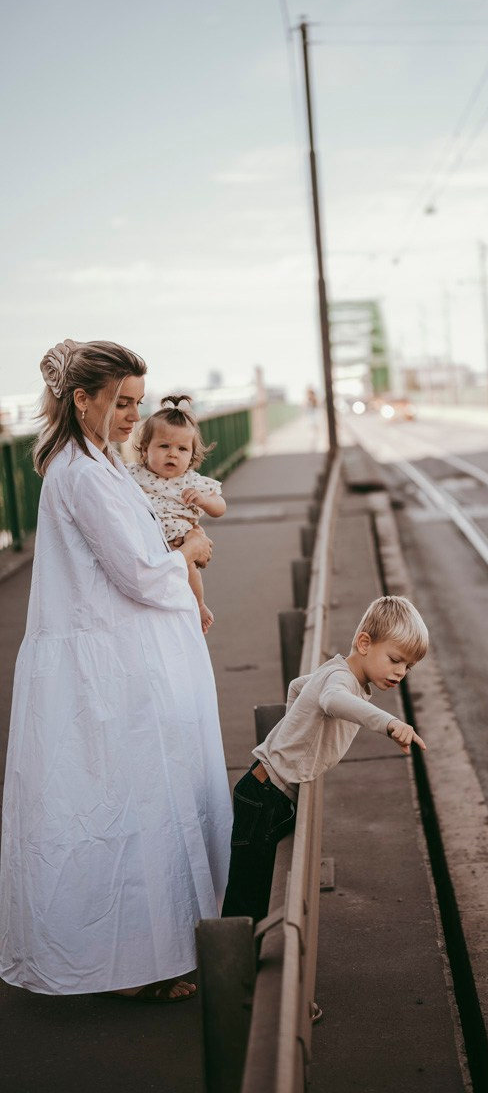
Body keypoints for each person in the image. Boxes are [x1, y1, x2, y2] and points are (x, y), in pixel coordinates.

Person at [0, 340, 232, 1003]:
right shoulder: (79, 473)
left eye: (137, 402)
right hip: (107, 673)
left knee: (138, 810)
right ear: (83, 399)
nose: (134, 416)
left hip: (121, 663)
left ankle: (145, 959)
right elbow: (134, 572)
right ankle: (125, 966)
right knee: (120, 813)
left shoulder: (97, 462)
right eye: (122, 403)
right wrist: (187, 548)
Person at [221, 595, 428, 923]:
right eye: (395, 659)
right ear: (364, 643)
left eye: (408, 666)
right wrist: (389, 723)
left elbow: (296, 686)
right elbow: (332, 700)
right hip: (266, 796)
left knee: (256, 889)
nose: (401, 672)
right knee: (248, 896)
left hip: (269, 792)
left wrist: (296, 731)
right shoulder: (342, 681)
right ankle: (233, 970)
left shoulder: (339, 672)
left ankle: (242, 962)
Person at [128, 394, 226, 634]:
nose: (173, 454)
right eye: (164, 446)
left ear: (191, 455)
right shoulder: (134, 474)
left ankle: (200, 605)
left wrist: (203, 500)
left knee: (190, 573)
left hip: (179, 542)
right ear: (145, 449)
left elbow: (220, 506)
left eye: (182, 449)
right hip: (149, 545)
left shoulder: (191, 481)